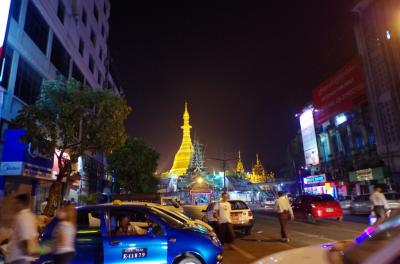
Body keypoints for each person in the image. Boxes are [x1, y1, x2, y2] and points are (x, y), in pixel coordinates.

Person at [5, 194, 39, 264]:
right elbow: (35, 236)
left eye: (15, 203)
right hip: (22, 257)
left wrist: (29, 252)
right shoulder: (31, 216)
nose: (13, 206)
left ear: (20, 203)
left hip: (18, 257)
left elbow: (25, 237)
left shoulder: (21, 217)